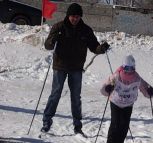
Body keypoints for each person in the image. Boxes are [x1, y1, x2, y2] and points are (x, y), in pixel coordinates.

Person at [41, 3, 110, 135]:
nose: (75, 19)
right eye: (73, 16)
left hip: (76, 68)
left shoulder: (86, 30)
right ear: (68, 15)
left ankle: (77, 125)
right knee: (55, 94)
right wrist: (52, 41)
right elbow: (48, 45)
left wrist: (101, 48)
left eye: (77, 16)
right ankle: (47, 121)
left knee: (76, 97)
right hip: (60, 66)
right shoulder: (58, 27)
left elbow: (93, 46)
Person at [100, 55, 153, 143]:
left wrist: (150, 91)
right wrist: (107, 88)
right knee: (115, 125)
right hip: (116, 102)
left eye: (131, 68)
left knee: (124, 126)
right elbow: (104, 89)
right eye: (127, 68)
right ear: (123, 67)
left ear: (134, 68)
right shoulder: (117, 76)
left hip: (128, 104)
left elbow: (145, 87)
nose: (129, 71)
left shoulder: (137, 78)